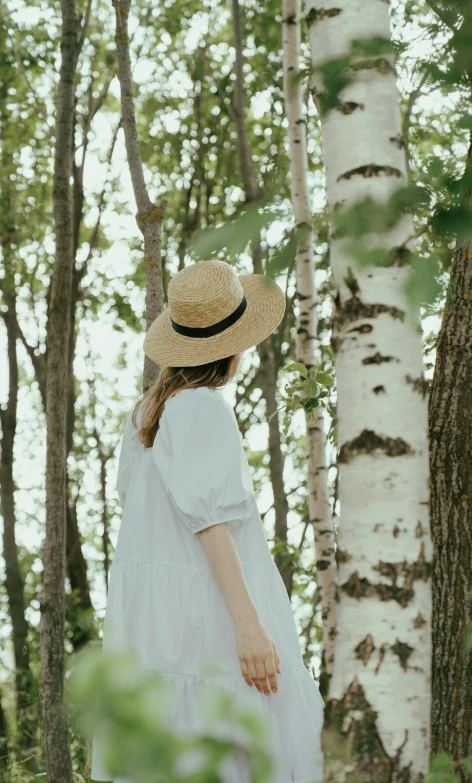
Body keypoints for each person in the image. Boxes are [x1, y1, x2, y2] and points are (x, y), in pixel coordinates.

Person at [91, 260, 324, 783]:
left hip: (157, 620)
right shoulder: (202, 409)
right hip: (206, 613)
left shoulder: (144, 415)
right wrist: (250, 626)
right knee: (234, 742)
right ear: (233, 347)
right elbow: (211, 524)